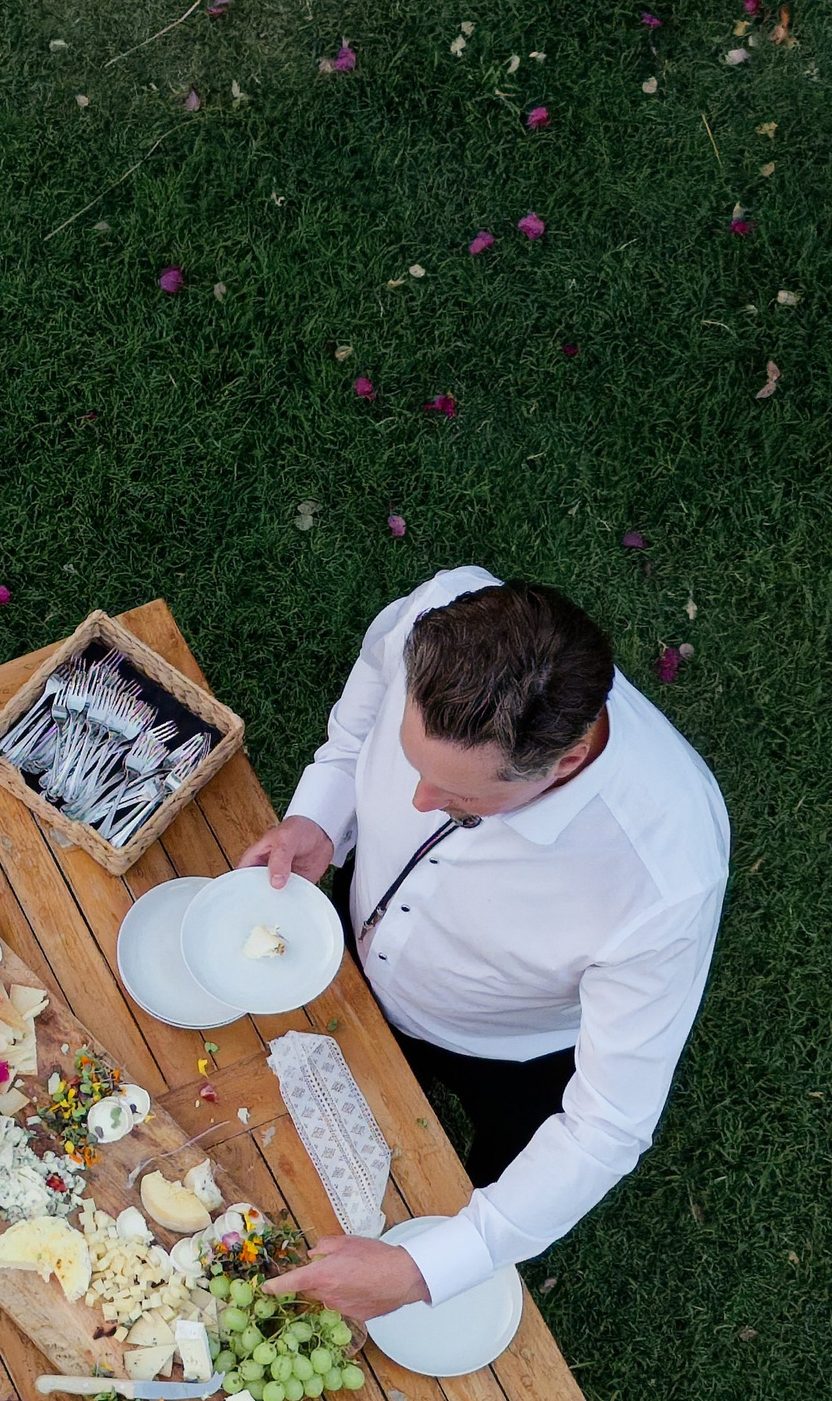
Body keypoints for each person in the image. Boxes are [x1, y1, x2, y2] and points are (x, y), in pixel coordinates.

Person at [247, 566, 728, 1323]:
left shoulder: (662, 877)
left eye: (462, 801)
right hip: (356, 944)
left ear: (564, 762)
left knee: (471, 1196)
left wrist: (422, 1271)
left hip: (509, 1052)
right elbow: (366, 699)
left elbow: (605, 1125)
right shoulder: (438, 611)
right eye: (413, 764)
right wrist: (322, 814)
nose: (416, 804)